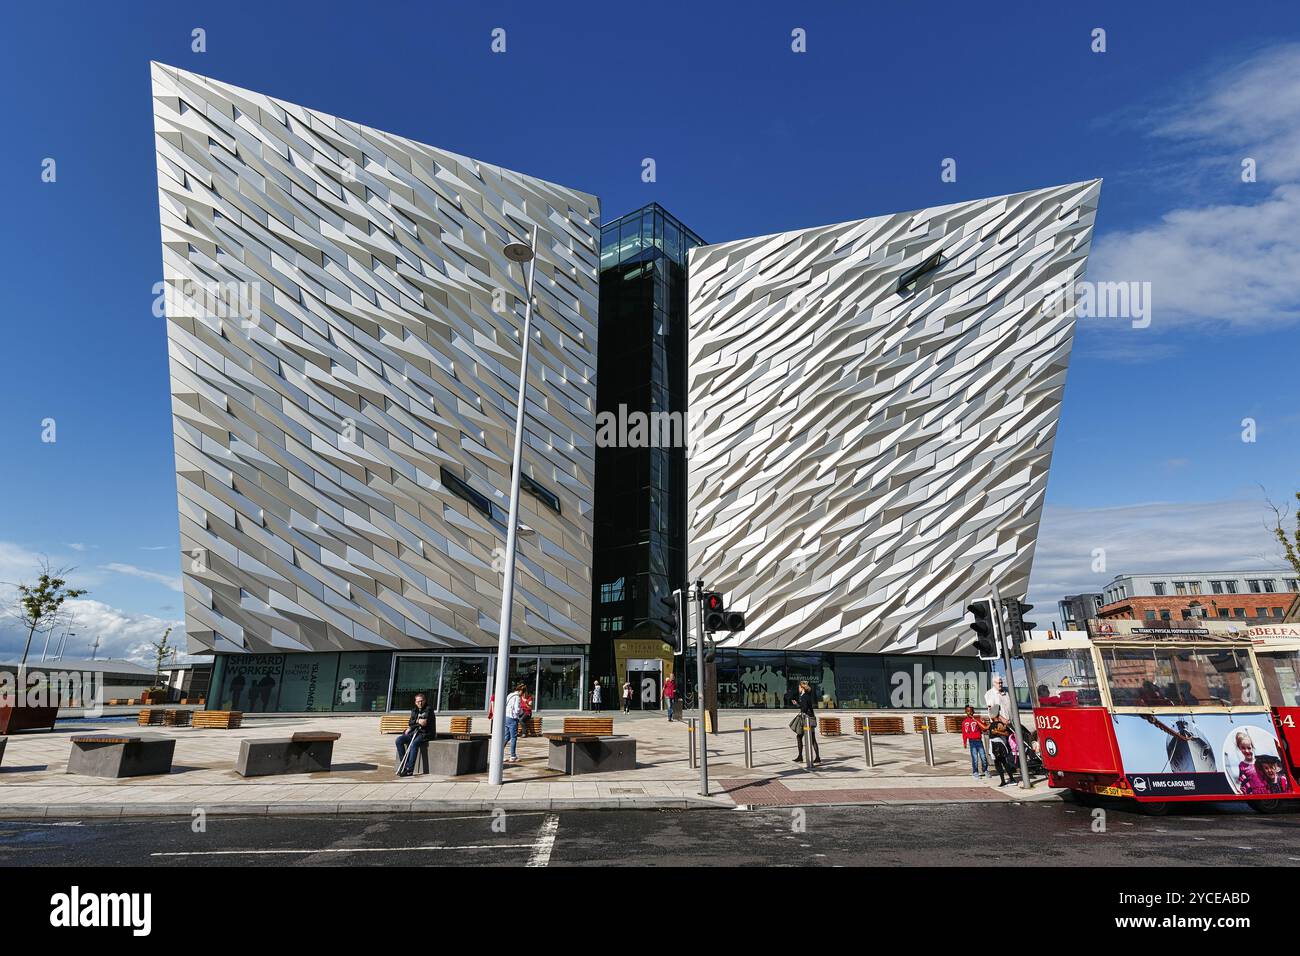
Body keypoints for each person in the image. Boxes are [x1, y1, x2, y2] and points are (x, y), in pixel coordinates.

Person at [396, 691, 434, 775]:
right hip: (415, 732)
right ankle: (404, 765)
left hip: (425, 733)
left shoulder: (429, 709)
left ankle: (409, 769)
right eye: (418, 701)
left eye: (421, 701)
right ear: (415, 702)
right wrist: (415, 723)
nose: (420, 703)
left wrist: (412, 725)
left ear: (425, 700)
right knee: (399, 740)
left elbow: (424, 723)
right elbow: (411, 722)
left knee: (414, 744)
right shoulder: (414, 710)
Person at [792, 680, 821, 765]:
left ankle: (801, 757)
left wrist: (797, 704)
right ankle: (817, 757)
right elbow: (805, 706)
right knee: (812, 739)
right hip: (810, 718)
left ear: (802, 688)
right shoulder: (807, 696)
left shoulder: (804, 696)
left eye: (799, 687)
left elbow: (804, 708)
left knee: (800, 737)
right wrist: (798, 704)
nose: (798, 688)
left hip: (807, 720)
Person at [961, 705, 989, 779]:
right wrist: (964, 742)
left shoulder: (977, 720)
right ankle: (975, 772)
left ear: (973, 712)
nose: (969, 712)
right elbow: (964, 733)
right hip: (971, 742)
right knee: (975, 758)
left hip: (979, 741)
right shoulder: (964, 722)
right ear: (965, 712)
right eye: (967, 711)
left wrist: (984, 723)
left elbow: (984, 729)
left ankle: (985, 770)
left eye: (971, 711)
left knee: (983, 757)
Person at [502, 683, 526, 764]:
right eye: (523, 692)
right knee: (513, 738)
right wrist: (521, 712)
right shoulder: (517, 698)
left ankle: (500, 754)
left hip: (506, 717)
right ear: (521, 691)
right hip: (512, 719)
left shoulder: (510, 695)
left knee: (506, 737)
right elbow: (517, 710)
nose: (523, 694)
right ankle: (513, 756)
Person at [988, 717, 1015, 786]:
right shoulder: (992, 723)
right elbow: (985, 728)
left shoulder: (999, 724)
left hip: (997, 744)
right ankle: (1008, 780)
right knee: (1001, 763)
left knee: (1000, 763)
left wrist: (997, 732)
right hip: (994, 744)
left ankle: (1008, 780)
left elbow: (1006, 733)